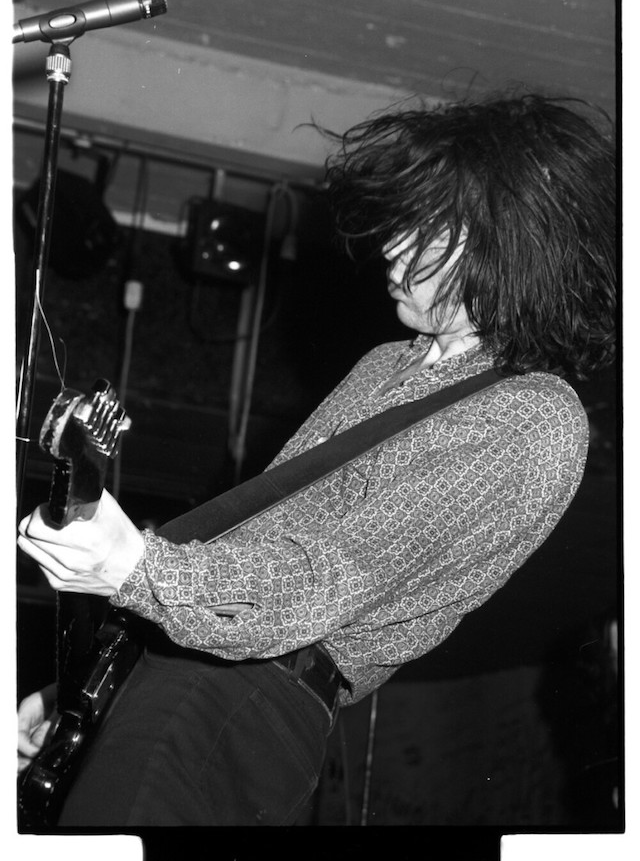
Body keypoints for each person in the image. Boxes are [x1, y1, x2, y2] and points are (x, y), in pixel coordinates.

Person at [17, 89, 616, 828]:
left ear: (511, 247)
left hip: (244, 694)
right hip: (182, 662)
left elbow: (324, 577)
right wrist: (89, 684)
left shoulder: (532, 416)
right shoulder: (385, 363)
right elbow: (257, 544)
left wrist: (138, 569)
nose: (393, 245)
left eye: (428, 227)